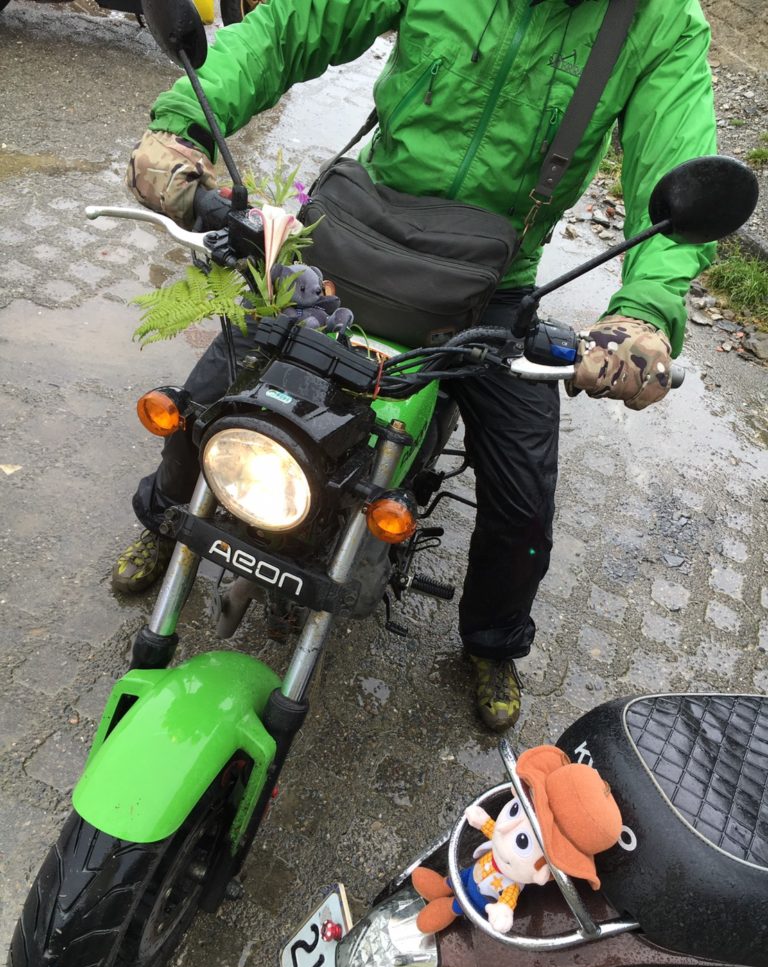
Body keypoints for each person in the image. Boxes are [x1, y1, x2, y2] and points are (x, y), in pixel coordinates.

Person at [116, 0, 717, 732]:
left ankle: (492, 642)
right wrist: (184, 127)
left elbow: (675, 161)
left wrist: (643, 314)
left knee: (523, 499)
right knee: (210, 393)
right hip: (360, 232)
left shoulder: (660, 21)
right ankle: (165, 518)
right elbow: (293, 25)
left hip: (494, 282)